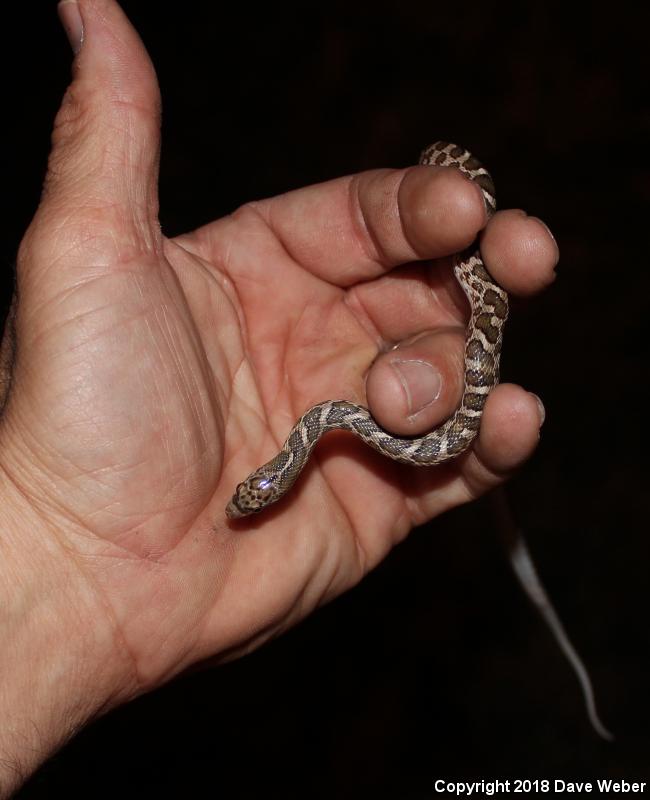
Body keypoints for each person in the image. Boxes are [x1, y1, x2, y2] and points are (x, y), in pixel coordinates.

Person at [0, 0, 556, 795]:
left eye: (255, 494)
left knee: (474, 278)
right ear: (279, 473)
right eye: (258, 496)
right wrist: (55, 541)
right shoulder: (317, 427)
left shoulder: (324, 423)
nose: (253, 498)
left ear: (276, 471)